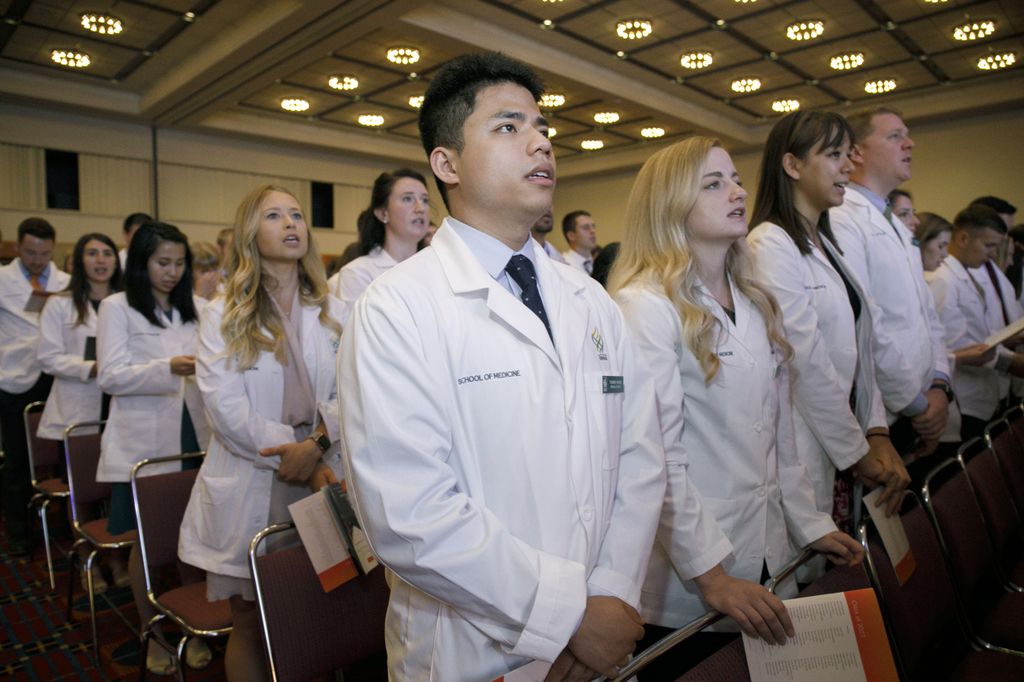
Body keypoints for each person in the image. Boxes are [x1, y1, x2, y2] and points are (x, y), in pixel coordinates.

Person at [339, 52, 666, 681]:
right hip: (471, 652)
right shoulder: (396, 306)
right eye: (509, 127)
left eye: (543, 127)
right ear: (447, 163)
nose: (541, 142)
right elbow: (410, 515)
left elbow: (639, 456)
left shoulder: (588, 299)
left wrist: (612, 593)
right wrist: (571, 615)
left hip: (601, 631)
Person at [611, 137, 863, 679]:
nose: (737, 191)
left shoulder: (751, 297)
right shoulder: (644, 306)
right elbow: (656, 459)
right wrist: (712, 575)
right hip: (692, 580)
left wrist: (810, 522)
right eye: (713, 183)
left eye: (736, 179)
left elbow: (781, 437)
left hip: (770, 551)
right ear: (671, 203)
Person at [179, 185, 344, 682]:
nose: (292, 223)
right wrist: (293, 451)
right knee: (249, 622)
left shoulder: (332, 309)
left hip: (318, 468)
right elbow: (225, 410)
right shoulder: (222, 312)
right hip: (258, 473)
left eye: (296, 214)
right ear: (252, 231)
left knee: (318, 609)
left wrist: (314, 446)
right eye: (275, 215)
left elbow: (353, 392)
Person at [746, 111, 910, 539]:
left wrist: (875, 431)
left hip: (847, 440)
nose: (847, 166)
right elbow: (805, 359)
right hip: (811, 445)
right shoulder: (770, 243)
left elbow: (861, 349)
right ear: (793, 165)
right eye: (833, 155)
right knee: (818, 582)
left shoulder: (826, 242)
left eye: (847, 154)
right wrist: (858, 451)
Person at [96, 220, 212, 675]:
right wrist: (168, 366)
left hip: (194, 434)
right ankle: (155, 636)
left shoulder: (198, 307)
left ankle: (189, 624)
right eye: (163, 263)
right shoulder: (117, 307)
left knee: (192, 537)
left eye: (180, 264)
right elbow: (111, 374)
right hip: (143, 440)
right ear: (142, 264)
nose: (172, 272)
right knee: (148, 542)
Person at [829, 107, 950, 461]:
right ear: (856, 152)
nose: (909, 143)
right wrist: (915, 404)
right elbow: (866, 324)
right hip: (888, 413)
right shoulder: (842, 217)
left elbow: (929, 317)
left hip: (925, 400)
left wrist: (940, 384)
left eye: (906, 135)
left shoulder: (897, 224)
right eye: (895, 136)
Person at [36, 233, 123, 590]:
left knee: (113, 487)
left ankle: (116, 557)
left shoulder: (125, 303)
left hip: (117, 403)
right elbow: (47, 356)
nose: (101, 260)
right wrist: (91, 367)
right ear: (78, 261)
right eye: (92, 253)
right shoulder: (60, 304)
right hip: (79, 404)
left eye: (107, 253)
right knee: (83, 492)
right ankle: (88, 562)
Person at [0, 218, 70, 556]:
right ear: (17, 247)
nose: (37, 260)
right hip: (14, 378)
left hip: (55, 375)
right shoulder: (2, 280)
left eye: (44, 253)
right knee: (17, 460)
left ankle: (61, 524)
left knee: (61, 456)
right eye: (30, 252)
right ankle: (19, 533)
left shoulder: (66, 282)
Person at [928, 205, 1024, 441]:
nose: (993, 255)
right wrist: (1008, 362)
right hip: (965, 397)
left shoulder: (971, 270)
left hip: (985, 392)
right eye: (989, 246)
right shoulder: (944, 279)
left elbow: (978, 329)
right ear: (963, 238)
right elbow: (953, 344)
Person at [327, 169, 431, 326]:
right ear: (383, 213)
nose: (420, 208)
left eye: (425, 200)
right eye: (408, 199)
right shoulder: (359, 273)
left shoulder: (436, 270)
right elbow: (361, 336)